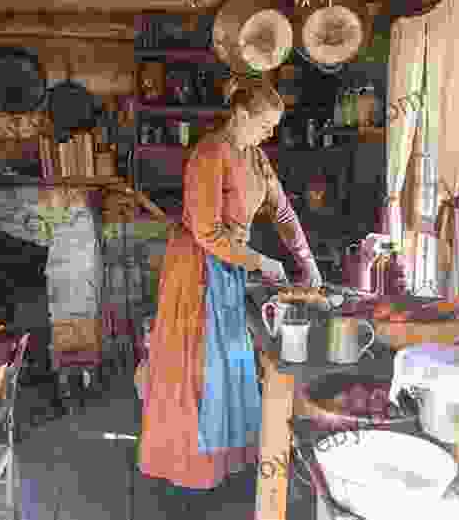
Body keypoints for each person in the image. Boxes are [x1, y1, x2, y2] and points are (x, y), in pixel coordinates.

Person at [138, 75, 322, 511]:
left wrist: (307, 261)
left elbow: (283, 211)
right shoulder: (209, 154)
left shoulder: (255, 158)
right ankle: (186, 476)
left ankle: (222, 467)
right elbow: (206, 231)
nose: (270, 134)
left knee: (228, 366)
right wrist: (262, 262)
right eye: (265, 125)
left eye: (274, 127)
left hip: (229, 267)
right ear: (240, 115)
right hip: (196, 269)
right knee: (197, 371)